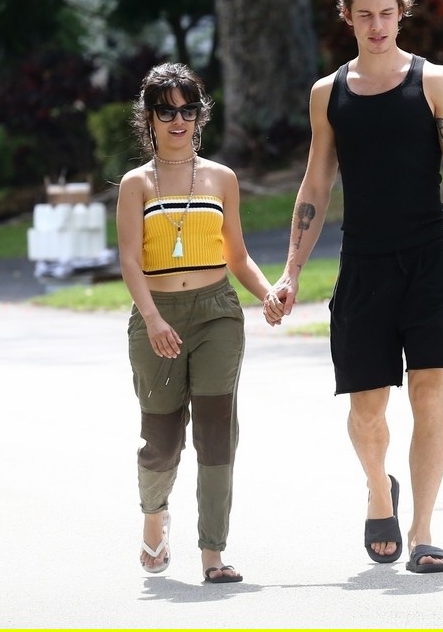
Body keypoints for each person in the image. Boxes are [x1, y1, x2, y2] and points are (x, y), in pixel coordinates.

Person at [271, 0, 443, 574]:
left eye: (386, 13)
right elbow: (315, 185)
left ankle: (423, 531)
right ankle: (377, 490)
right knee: (366, 409)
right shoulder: (329, 94)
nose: (377, 25)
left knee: (428, 391)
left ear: (401, 13)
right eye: (365, 15)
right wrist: (291, 271)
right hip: (363, 266)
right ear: (348, 17)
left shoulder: (435, 81)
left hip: (427, 261)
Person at [117, 62, 282, 584]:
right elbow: (129, 260)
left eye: (188, 110)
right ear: (149, 118)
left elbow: (238, 255)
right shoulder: (135, 184)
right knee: (162, 439)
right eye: (166, 112)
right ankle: (154, 514)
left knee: (216, 434)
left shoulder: (221, 178)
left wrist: (267, 292)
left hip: (217, 315)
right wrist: (152, 318)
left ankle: (213, 552)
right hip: (157, 318)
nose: (178, 121)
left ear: (200, 115)